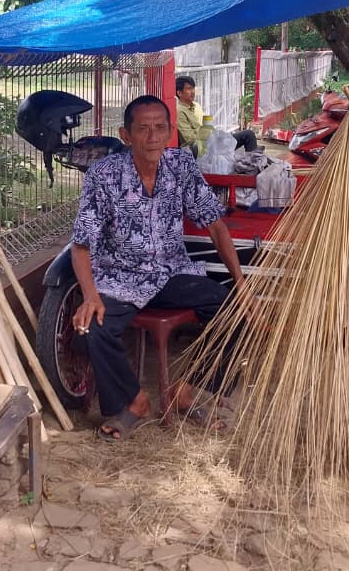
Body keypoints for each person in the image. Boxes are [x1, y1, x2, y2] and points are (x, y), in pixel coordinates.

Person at [70, 95, 245, 441]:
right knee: (94, 328)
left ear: (171, 132)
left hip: (170, 271)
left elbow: (215, 225)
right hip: (120, 276)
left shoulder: (181, 166)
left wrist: (241, 283)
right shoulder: (104, 175)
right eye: (142, 129)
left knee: (233, 307)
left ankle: (188, 390)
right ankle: (135, 401)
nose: (152, 137)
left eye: (159, 128)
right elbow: (81, 243)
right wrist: (91, 295)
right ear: (126, 135)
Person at [174, 76, 258, 157]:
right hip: (197, 148)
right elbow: (189, 140)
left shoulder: (197, 106)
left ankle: (253, 163)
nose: (193, 92)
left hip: (211, 141)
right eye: (189, 89)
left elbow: (207, 127)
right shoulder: (179, 111)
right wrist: (209, 135)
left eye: (193, 88)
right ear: (179, 93)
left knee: (248, 134)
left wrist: (216, 135)